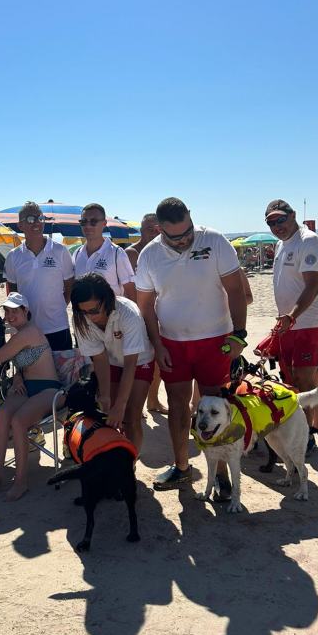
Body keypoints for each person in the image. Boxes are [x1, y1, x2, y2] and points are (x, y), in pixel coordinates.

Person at [136, 197, 248, 492]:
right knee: (177, 405)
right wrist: (157, 345)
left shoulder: (213, 240)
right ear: (160, 229)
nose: (184, 240)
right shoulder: (149, 255)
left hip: (215, 340)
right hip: (174, 342)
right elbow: (145, 306)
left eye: (188, 232)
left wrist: (239, 334)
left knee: (215, 407)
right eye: (176, 236)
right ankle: (182, 467)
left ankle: (221, 472)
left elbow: (235, 289)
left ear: (191, 218)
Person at [0, 293, 62, 501]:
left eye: (15, 310)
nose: (10, 315)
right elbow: (24, 364)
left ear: (26, 311)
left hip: (49, 390)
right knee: (3, 414)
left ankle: (21, 482)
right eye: (7, 311)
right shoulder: (18, 334)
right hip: (28, 388)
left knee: (18, 421)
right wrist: (18, 378)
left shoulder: (28, 333)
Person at [266, 199, 318, 455]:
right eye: (271, 222)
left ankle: (305, 439)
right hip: (289, 323)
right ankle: (304, 429)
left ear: (292, 215)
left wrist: (292, 316)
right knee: (290, 378)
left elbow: (312, 286)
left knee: (304, 380)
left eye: (280, 219)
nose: (276, 226)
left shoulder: (309, 240)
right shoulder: (281, 244)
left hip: (310, 322)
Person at [71, 273, 154, 453]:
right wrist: (106, 396)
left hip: (139, 361)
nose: (90, 317)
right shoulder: (81, 320)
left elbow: (131, 364)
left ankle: (130, 464)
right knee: (109, 414)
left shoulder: (128, 314)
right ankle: (115, 456)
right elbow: (100, 359)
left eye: (94, 310)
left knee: (131, 416)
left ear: (106, 299)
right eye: (83, 311)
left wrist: (121, 404)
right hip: (111, 361)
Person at [3, 201, 75, 350]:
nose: (36, 222)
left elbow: (70, 286)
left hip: (57, 327)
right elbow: (12, 292)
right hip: (26, 330)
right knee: (31, 373)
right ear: (20, 225)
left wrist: (57, 307)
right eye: (30, 219)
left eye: (40, 218)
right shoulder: (13, 256)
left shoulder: (60, 251)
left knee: (61, 372)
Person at [125, 213, 167, 414]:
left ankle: (153, 400)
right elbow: (127, 287)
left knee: (157, 362)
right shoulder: (131, 253)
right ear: (141, 230)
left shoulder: (161, 251)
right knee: (137, 363)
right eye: (150, 229)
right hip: (136, 315)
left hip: (159, 314)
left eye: (158, 229)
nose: (155, 232)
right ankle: (137, 404)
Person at [72, 203, 136, 299]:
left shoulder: (117, 253)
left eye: (93, 221)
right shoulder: (77, 254)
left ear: (104, 223)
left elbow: (131, 293)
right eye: (84, 221)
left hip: (112, 313)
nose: (88, 226)